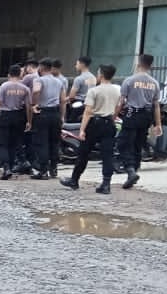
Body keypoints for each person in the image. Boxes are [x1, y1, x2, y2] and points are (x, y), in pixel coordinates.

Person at [61, 63, 122, 194]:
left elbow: (88, 112)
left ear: (101, 74)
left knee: (83, 153)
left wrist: (82, 130)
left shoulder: (94, 91)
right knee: (107, 155)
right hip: (109, 123)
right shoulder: (117, 90)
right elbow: (118, 107)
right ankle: (106, 184)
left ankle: (74, 180)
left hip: (94, 123)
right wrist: (112, 118)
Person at [117, 53, 165, 189]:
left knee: (123, 144)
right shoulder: (154, 83)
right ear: (151, 66)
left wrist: (114, 115)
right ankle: (134, 173)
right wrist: (158, 124)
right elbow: (156, 105)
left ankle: (130, 170)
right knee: (138, 145)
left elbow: (122, 101)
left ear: (138, 64)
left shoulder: (130, 80)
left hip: (132, 115)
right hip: (146, 116)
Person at [0, 65, 34, 180]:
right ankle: (12, 166)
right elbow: (29, 107)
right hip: (19, 116)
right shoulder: (25, 88)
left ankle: (6, 168)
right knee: (14, 143)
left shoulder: (4, 86)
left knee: (2, 143)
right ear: (20, 75)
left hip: (5, 115)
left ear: (9, 74)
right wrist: (29, 121)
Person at [29, 58, 67, 180]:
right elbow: (63, 101)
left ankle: (43, 170)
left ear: (41, 67)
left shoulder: (39, 80)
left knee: (42, 142)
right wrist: (62, 116)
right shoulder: (59, 82)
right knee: (54, 142)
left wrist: (34, 104)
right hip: (55, 113)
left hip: (43, 112)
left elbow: (36, 90)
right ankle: (54, 168)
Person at [67, 56, 95, 125]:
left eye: (77, 64)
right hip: (89, 105)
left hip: (77, 105)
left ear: (82, 64)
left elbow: (71, 96)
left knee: (72, 125)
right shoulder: (93, 77)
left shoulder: (79, 79)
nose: (75, 66)